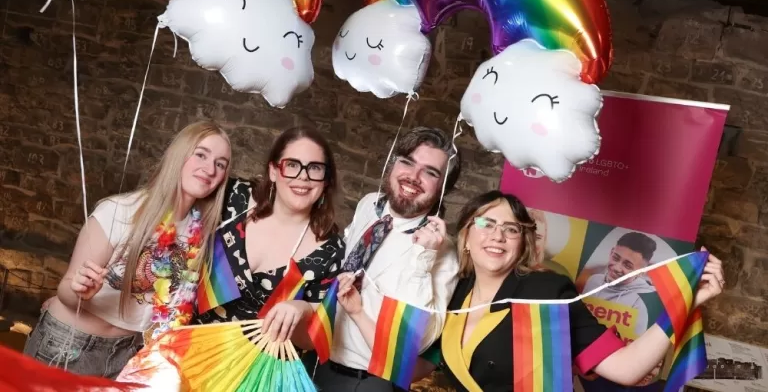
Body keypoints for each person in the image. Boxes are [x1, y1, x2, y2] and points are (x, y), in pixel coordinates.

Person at [413, 190, 725, 392]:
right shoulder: (453, 293)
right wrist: (362, 312)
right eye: (486, 223)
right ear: (466, 236)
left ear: (521, 242)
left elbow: (626, 368)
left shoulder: (546, 293)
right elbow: (418, 368)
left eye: (511, 229)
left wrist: (686, 302)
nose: (498, 236)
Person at [23, 121, 232, 378]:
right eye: (201, 154)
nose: (210, 168)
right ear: (180, 154)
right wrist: (80, 291)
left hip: (128, 355)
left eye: (220, 164)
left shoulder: (200, 234)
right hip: (69, 346)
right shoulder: (118, 211)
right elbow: (65, 290)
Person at [312, 126, 462, 391]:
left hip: (369, 380)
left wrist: (423, 259)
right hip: (319, 359)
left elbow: (419, 341)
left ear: (442, 189)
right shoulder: (369, 204)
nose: (413, 176)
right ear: (393, 164)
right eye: (407, 162)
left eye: (430, 172)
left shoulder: (443, 251)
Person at [192, 126, 345, 351]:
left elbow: (312, 343)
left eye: (315, 168)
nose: (303, 176)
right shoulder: (234, 197)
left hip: (251, 372)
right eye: (292, 165)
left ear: (326, 181)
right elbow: (178, 206)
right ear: (273, 171)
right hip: (185, 342)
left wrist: (303, 309)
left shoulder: (330, 250)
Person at [583, 232, 659, 338]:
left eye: (627, 266)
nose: (616, 268)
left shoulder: (642, 301)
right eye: (616, 258)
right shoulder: (593, 281)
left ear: (641, 272)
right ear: (611, 252)